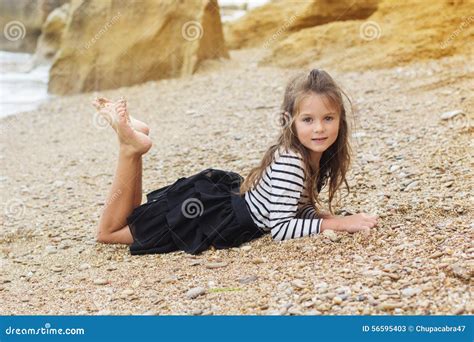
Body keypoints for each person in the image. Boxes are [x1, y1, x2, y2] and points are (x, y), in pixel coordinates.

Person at [92, 69, 378, 255]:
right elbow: (281, 229)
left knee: (133, 218)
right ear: (291, 121)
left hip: (224, 206)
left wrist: (323, 218)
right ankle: (130, 148)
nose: (319, 128)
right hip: (211, 216)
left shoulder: (312, 155)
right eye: (308, 119)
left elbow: (292, 209)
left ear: (341, 119)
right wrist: (339, 223)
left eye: (328, 118)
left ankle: (133, 145)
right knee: (109, 233)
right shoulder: (293, 161)